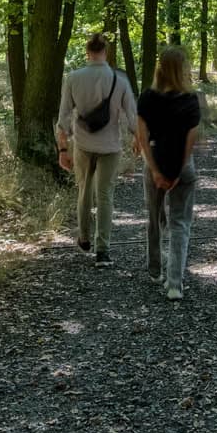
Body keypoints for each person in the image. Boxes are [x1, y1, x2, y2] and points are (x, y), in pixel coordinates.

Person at [54, 32, 138, 264]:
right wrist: (137, 139)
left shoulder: (73, 78)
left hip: (82, 144)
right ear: (106, 52)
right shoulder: (120, 80)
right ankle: (103, 250)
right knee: (105, 196)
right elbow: (132, 115)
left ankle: (83, 238)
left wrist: (62, 150)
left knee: (84, 192)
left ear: (87, 52)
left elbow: (63, 117)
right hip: (110, 145)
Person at [130, 48, 203, 302]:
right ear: (183, 69)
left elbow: (142, 137)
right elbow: (189, 143)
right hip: (183, 168)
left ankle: (154, 270)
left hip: (154, 162)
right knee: (180, 224)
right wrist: (177, 173)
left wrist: (156, 171)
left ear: (160, 68)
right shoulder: (191, 100)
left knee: (154, 218)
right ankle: (175, 284)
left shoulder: (148, 98)